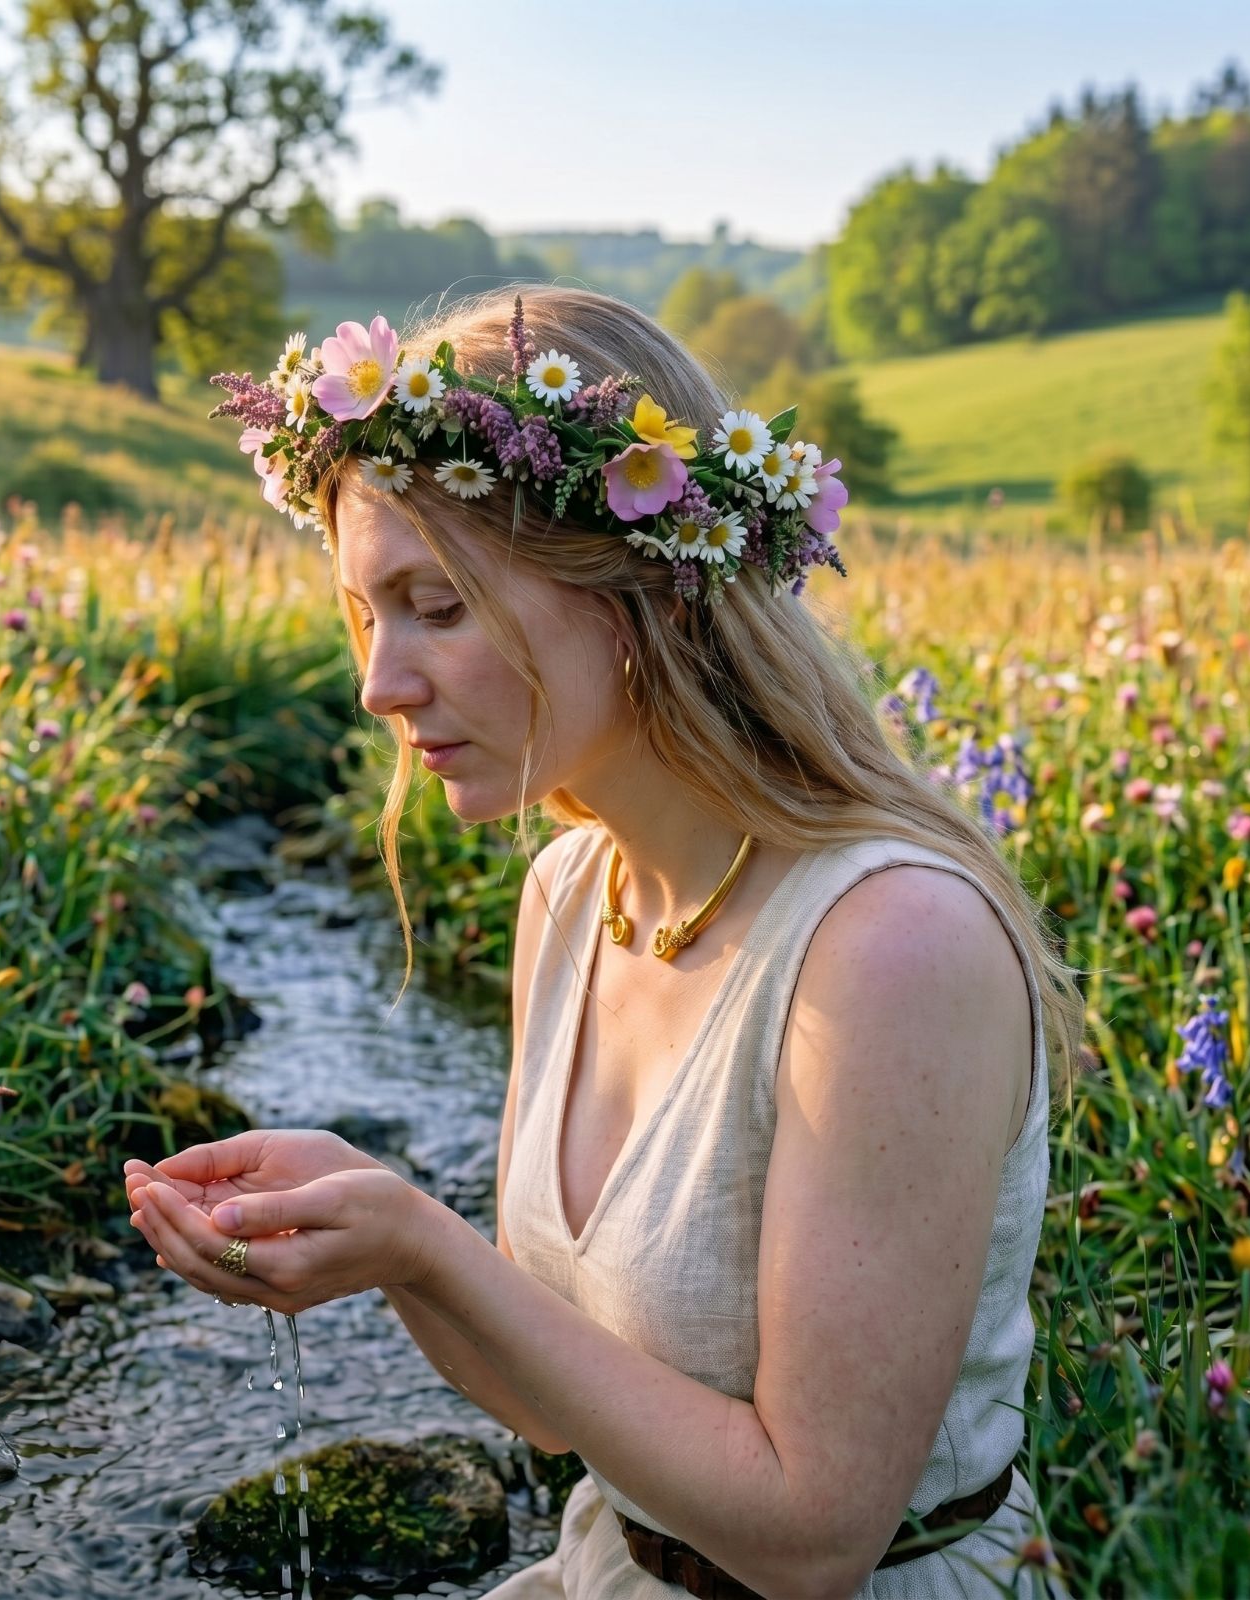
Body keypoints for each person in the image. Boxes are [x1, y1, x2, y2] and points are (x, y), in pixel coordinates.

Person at [124, 286, 1083, 1599]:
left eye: (437, 606)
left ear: (641, 597)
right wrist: (376, 1233)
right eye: (367, 613)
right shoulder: (572, 893)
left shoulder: (886, 946)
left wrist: (425, 1244)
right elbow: (554, 1411)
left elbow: (813, 1537)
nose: (379, 683)